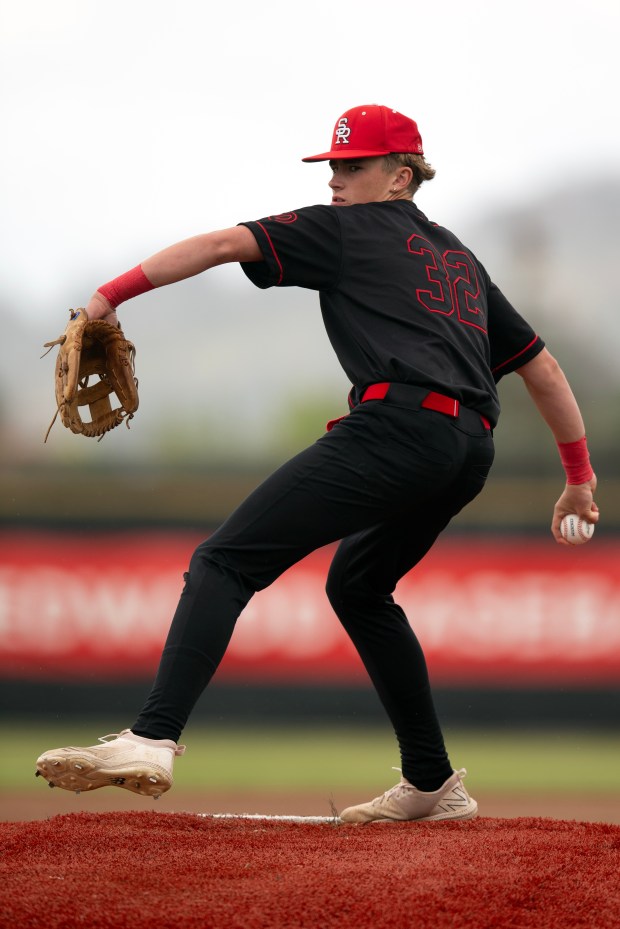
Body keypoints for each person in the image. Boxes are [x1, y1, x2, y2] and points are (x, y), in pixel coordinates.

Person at [36, 104, 598, 823]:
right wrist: (578, 480)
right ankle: (431, 782)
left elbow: (218, 244)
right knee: (360, 587)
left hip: (398, 428)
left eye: (354, 166)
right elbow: (539, 366)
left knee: (223, 561)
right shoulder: (458, 257)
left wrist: (108, 297)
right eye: (332, 166)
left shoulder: (345, 229)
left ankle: (151, 736)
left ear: (401, 177)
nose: (336, 179)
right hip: (467, 448)